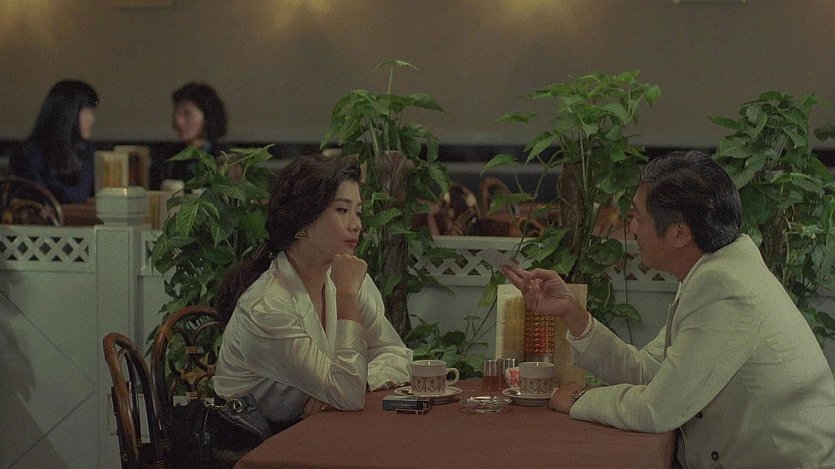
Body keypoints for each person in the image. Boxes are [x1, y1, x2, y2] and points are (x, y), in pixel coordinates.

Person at [503, 151, 835, 467]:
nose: (632, 228)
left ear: (679, 233)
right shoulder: (716, 271)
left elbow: (657, 409)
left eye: (637, 216)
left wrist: (580, 399)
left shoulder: (726, 289)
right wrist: (572, 313)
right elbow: (647, 371)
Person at [213, 153, 412, 432]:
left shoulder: (343, 276)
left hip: (321, 429)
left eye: (358, 212)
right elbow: (348, 394)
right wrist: (346, 297)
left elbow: (396, 353)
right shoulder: (267, 306)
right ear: (303, 220)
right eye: (342, 210)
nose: (356, 224)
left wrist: (359, 383)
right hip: (258, 443)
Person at [11, 80, 98, 204]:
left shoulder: (86, 152)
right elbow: (41, 201)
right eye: (86, 112)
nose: (92, 119)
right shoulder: (29, 155)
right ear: (67, 114)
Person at [155, 82, 229, 186]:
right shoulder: (169, 158)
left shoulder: (223, 156)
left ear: (207, 118)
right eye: (176, 113)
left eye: (187, 114)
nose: (178, 121)